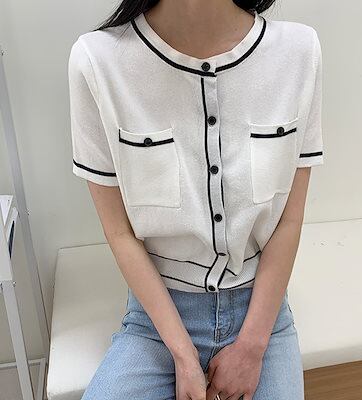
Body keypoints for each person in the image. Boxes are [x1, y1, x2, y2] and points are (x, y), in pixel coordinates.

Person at [68, 0, 324, 398]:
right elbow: (120, 233)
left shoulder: (298, 51)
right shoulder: (97, 61)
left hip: (261, 316)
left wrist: (251, 347)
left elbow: (288, 220)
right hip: (156, 323)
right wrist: (183, 355)